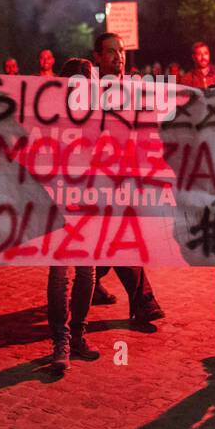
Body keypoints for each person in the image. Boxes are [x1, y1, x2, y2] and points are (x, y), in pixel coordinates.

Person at [89, 32, 165, 325]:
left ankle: (93, 281)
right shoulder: (88, 90)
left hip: (127, 177)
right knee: (120, 239)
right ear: (96, 57)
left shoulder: (135, 88)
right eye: (110, 51)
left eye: (120, 51)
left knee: (107, 242)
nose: (117, 56)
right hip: (99, 180)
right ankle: (144, 301)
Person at [44, 57, 103, 375]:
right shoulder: (52, 117)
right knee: (60, 275)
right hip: (60, 202)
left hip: (89, 202)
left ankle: (78, 333)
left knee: (87, 274)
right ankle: (61, 341)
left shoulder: (99, 116)